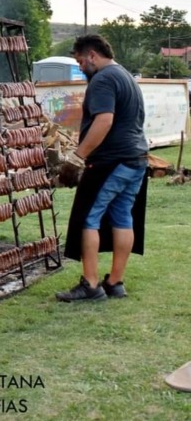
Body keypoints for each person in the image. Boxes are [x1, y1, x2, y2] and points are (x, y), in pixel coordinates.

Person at [55, 34, 149, 302]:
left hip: (111, 161)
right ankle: (115, 282)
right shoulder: (126, 76)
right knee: (121, 216)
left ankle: (91, 285)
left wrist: (77, 157)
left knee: (88, 218)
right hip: (136, 158)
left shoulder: (103, 79)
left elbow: (104, 121)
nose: (81, 67)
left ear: (93, 56)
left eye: (81, 62)